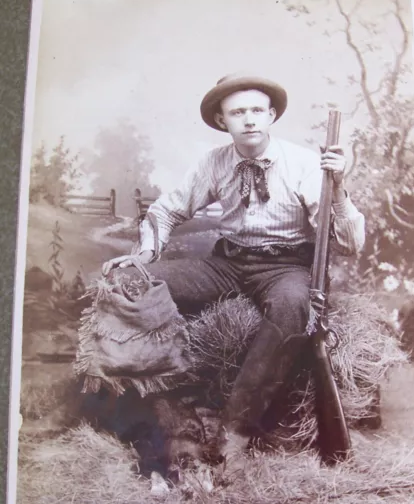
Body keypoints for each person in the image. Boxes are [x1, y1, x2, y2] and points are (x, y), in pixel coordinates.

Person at [103, 73, 365, 476]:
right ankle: (169, 420)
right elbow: (168, 209)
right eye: (237, 112)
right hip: (225, 264)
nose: (249, 120)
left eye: (257, 110)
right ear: (223, 121)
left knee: (294, 304)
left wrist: (340, 186)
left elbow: (347, 244)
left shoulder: (304, 164)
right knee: (132, 282)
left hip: (285, 266)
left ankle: (234, 433)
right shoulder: (213, 162)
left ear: (272, 115)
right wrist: (144, 254)